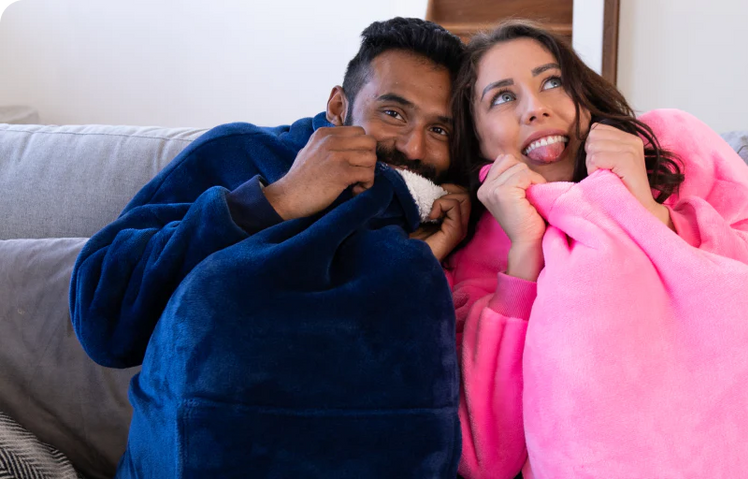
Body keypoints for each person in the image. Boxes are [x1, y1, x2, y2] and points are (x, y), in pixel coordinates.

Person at [447, 21, 748, 478]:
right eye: (503, 97)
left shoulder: (671, 145)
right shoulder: (478, 251)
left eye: (552, 82)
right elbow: (488, 459)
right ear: (477, 138)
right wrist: (525, 254)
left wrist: (648, 212)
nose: (535, 108)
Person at [69, 17, 471, 477]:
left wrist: (421, 259)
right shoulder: (241, 154)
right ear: (338, 106)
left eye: (440, 131)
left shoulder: (446, 212)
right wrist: (277, 199)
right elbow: (102, 319)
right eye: (394, 114)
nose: (414, 148)